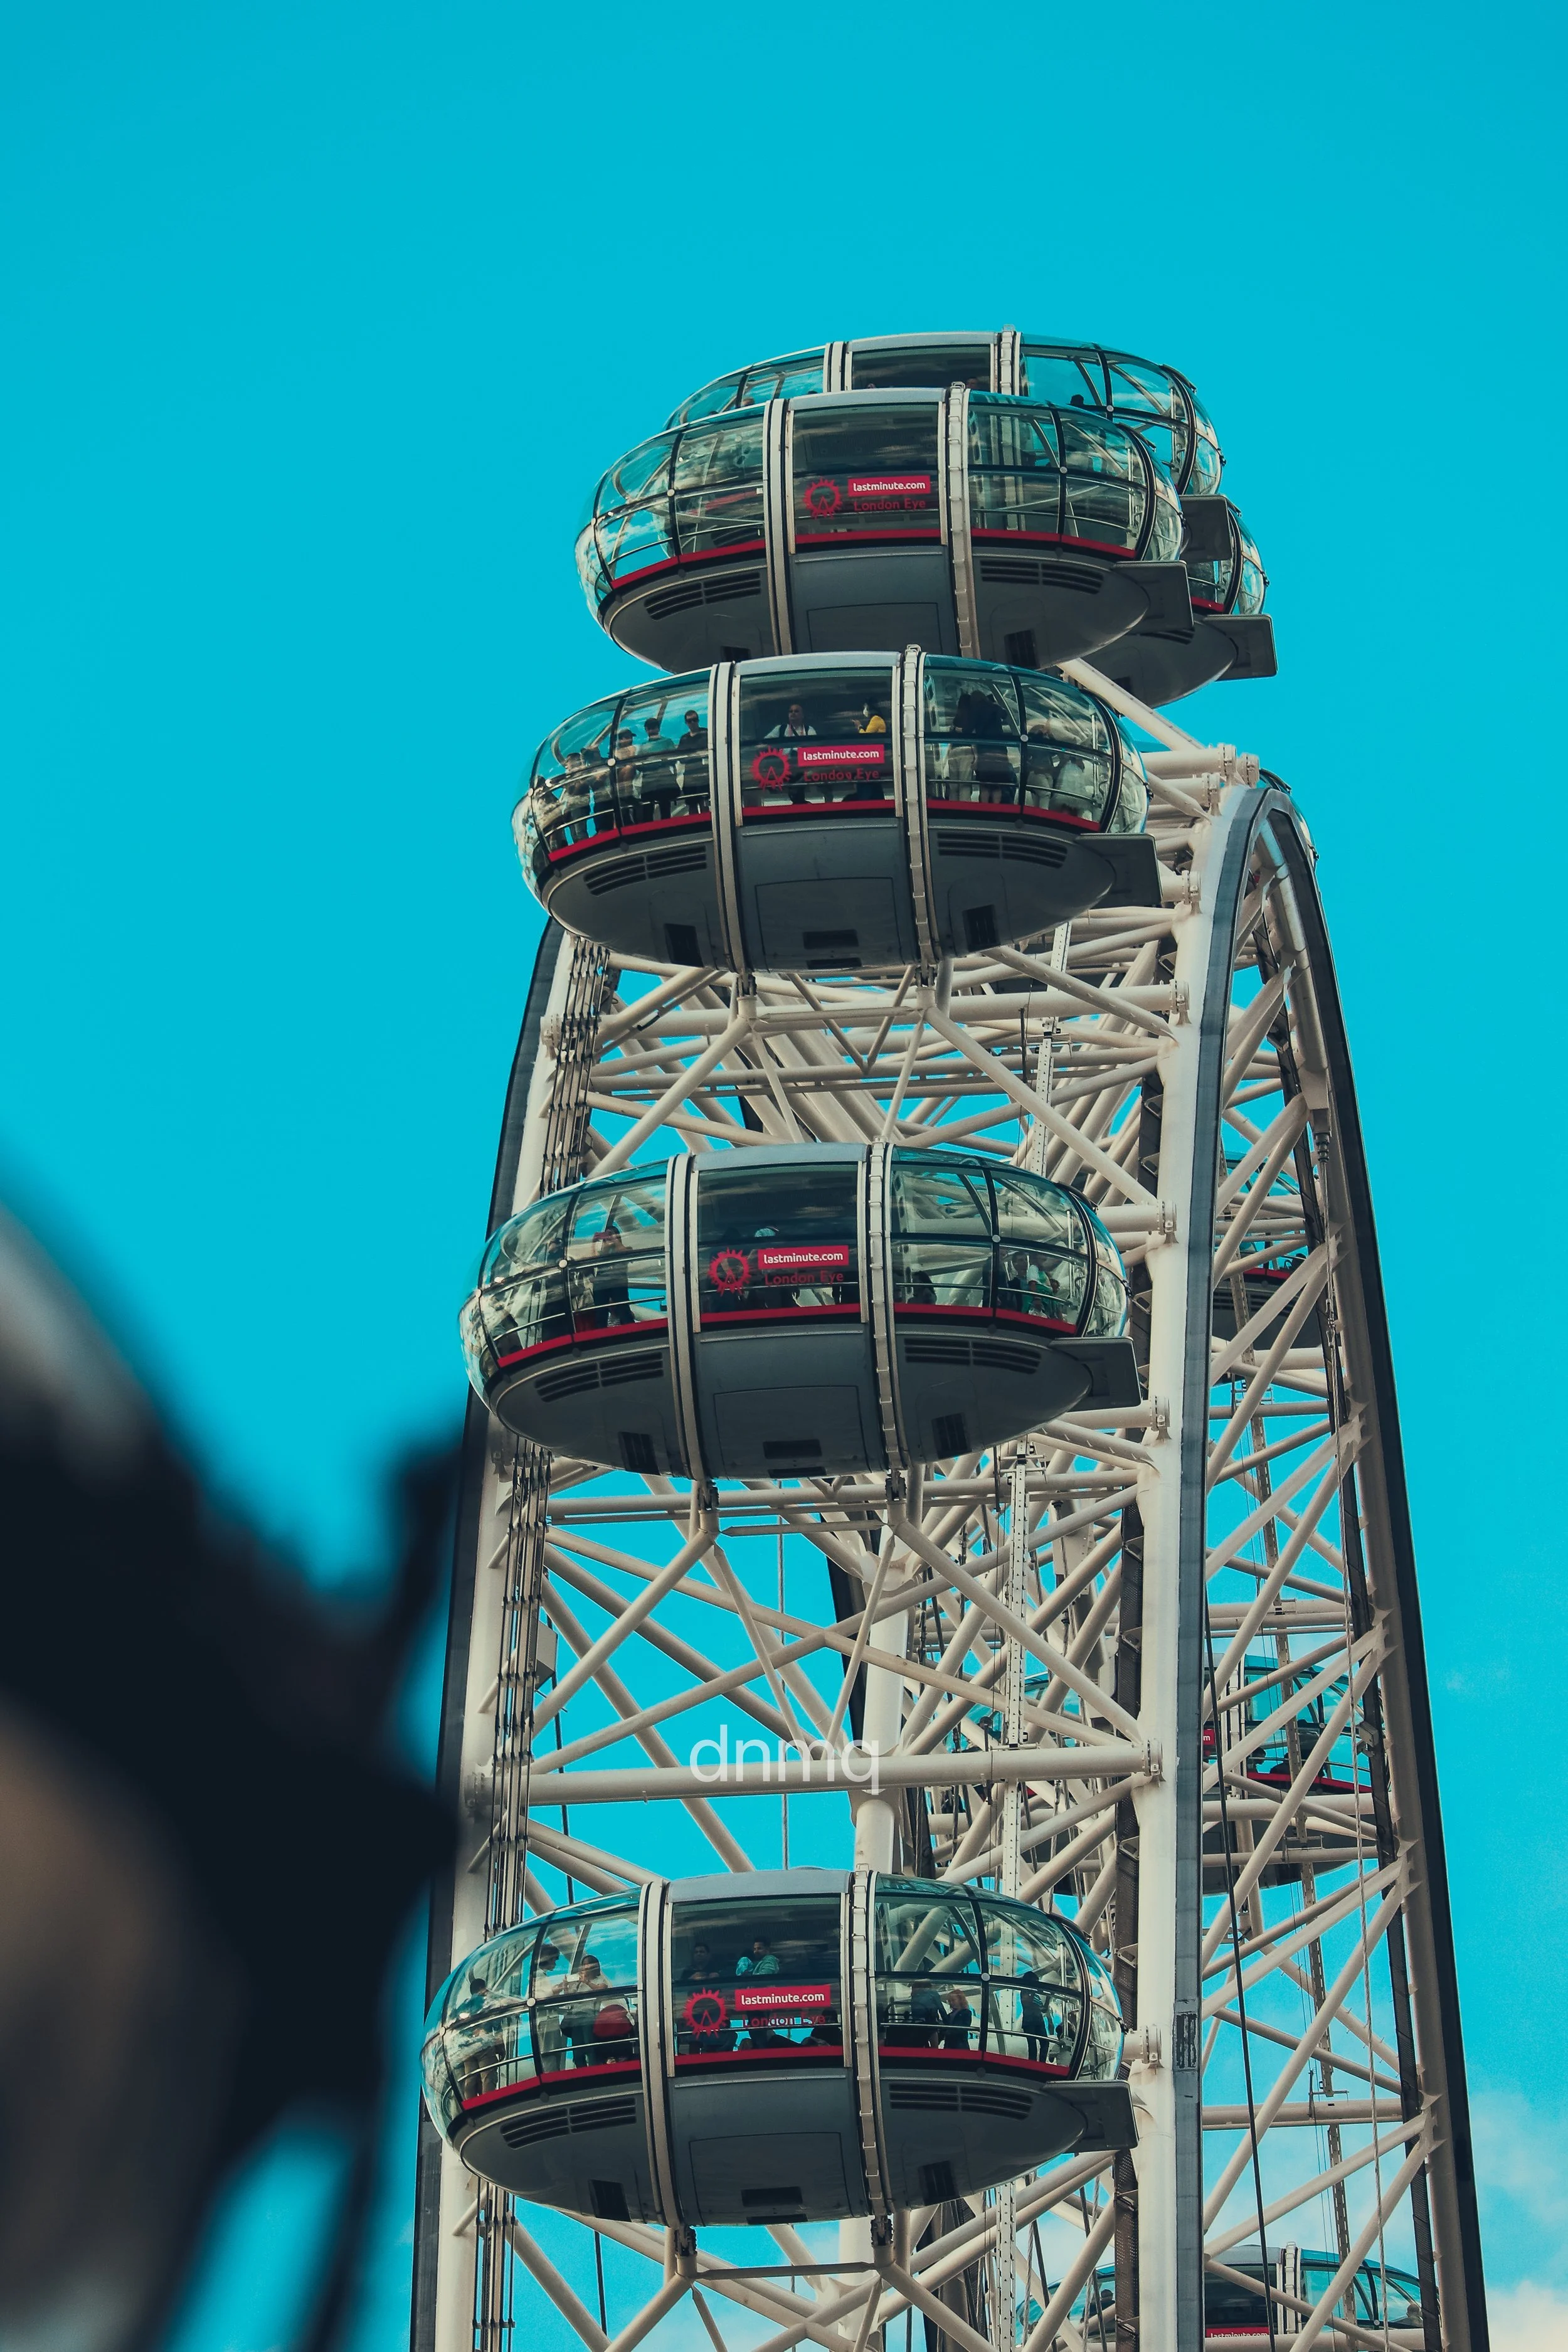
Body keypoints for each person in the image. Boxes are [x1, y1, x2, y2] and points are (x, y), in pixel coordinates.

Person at [766, 701, 817, 803]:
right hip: (783, 766)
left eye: (796, 711)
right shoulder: (780, 729)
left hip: (801, 766)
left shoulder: (808, 730)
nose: (793, 713)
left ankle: (799, 799)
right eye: (791, 711)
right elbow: (766, 742)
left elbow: (814, 746)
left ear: (802, 715)